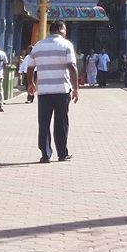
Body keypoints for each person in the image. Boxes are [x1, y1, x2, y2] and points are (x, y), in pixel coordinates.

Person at [27, 20, 79, 162]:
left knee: (44, 122)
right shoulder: (66, 44)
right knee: (61, 122)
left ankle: (45, 154)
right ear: (61, 29)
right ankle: (62, 153)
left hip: (44, 91)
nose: (66, 32)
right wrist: (75, 88)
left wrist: (30, 83)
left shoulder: (38, 45)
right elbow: (72, 67)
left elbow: (30, 67)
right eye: (65, 29)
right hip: (62, 90)